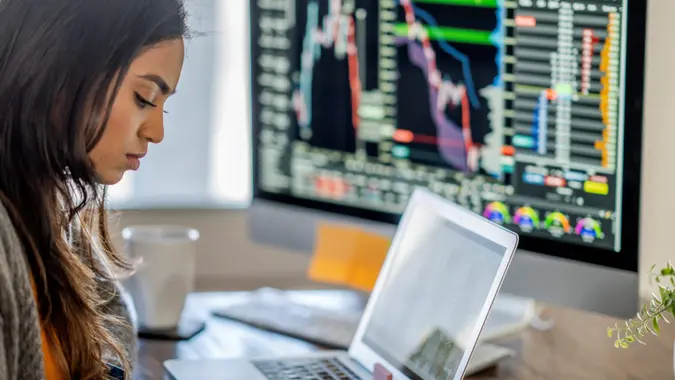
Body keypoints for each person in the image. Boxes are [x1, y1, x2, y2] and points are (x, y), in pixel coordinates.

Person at [0, 0, 189, 379]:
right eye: (144, 99)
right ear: (61, 68)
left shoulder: (48, 213)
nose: (156, 132)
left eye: (161, 108)